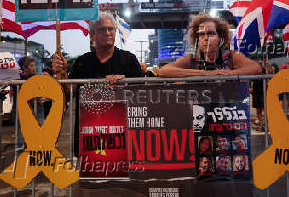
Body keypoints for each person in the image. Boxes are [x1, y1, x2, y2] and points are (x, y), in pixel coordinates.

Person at [52, 11, 143, 155]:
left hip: (122, 136)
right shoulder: (82, 62)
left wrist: (125, 83)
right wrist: (61, 74)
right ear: (92, 35)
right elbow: (69, 94)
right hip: (88, 136)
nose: (107, 33)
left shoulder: (129, 60)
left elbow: (144, 95)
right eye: (102, 29)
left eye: (110, 29)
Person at [158, 13, 261, 77]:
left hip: (228, 109)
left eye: (211, 33)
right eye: (201, 34)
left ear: (220, 37)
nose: (206, 38)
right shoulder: (191, 59)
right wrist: (205, 73)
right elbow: (163, 71)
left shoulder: (231, 56)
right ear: (197, 38)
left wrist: (228, 74)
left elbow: (256, 68)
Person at [250, 65, 266, 131]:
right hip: (256, 95)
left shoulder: (263, 75)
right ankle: (261, 125)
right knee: (258, 111)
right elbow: (252, 86)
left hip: (262, 94)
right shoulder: (253, 76)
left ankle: (265, 125)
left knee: (265, 111)